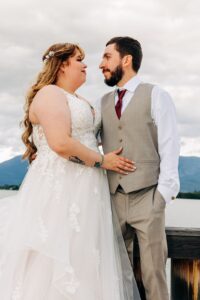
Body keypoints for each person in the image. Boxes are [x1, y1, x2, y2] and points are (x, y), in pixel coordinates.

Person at [0, 43, 141, 300]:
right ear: (63, 64)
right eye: (79, 59)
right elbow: (61, 143)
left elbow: (84, 138)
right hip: (62, 191)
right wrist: (102, 161)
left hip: (87, 193)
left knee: (85, 260)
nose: (86, 65)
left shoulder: (79, 100)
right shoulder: (50, 94)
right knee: (55, 262)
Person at [99, 36, 180, 300]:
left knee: (153, 274)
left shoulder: (156, 95)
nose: (102, 64)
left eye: (107, 57)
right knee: (112, 272)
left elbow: (170, 145)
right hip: (113, 198)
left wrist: (162, 196)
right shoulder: (102, 103)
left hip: (148, 196)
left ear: (126, 60)